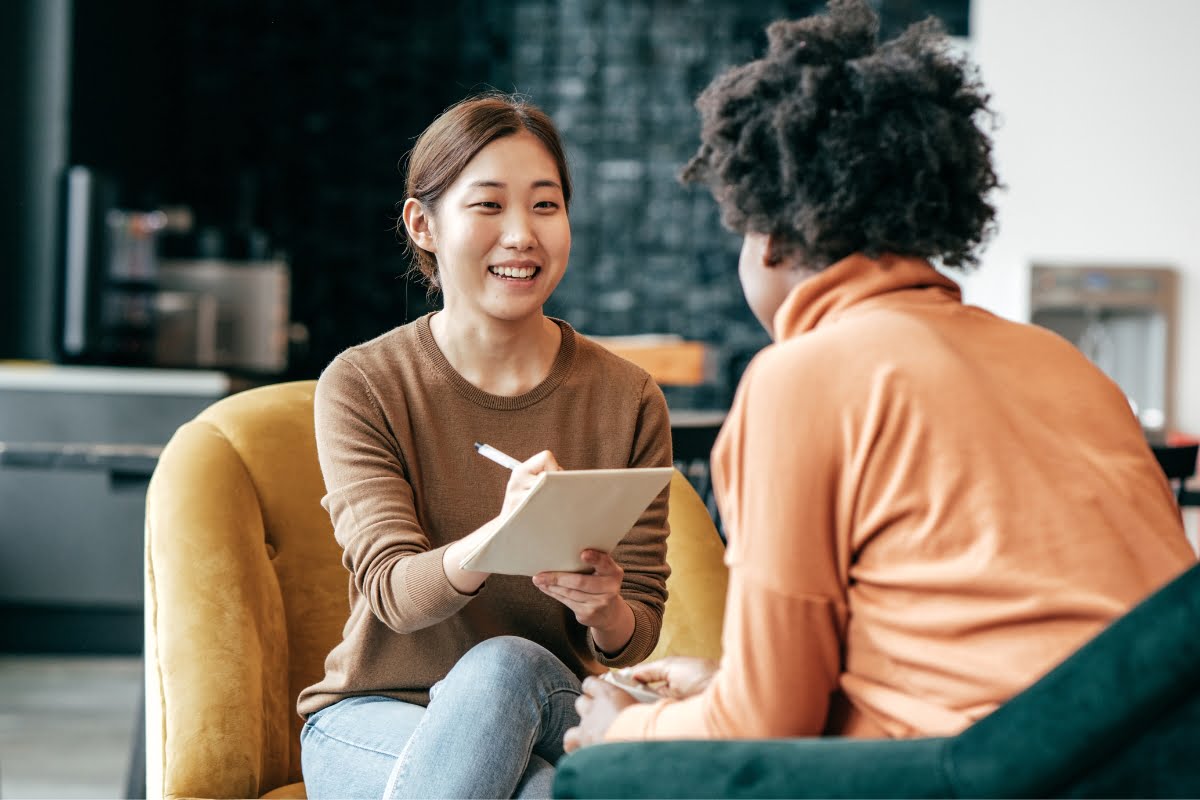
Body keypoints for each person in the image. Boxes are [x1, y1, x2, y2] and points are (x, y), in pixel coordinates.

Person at [566, 0, 1195, 750]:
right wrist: (720, 683)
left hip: (1004, 769)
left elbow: (770, 724)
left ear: (767, 239)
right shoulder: (1063, 362)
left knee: (611, 772)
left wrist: (627, 730)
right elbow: (962, 641)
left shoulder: (800, 378)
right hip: (1162, 755)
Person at [296, 93, 673, 799]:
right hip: (375, 717)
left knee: (507, 665)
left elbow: (637, 629)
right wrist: (506, 534)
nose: (522, 235)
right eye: (489, 206)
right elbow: (393, 594)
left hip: (547, 705)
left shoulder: (627, 397)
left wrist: (604, 606)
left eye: (545, 205)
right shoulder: (364, 383)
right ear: (424, 223)